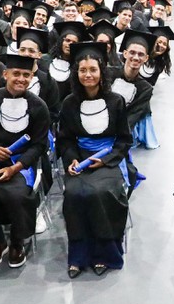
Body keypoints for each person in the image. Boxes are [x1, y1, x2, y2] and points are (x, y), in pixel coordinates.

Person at [57, 42, 134, 278]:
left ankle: (105, 252)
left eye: (93, 69)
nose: (88, 74)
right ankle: (79, 255)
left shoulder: (116, 101)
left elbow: (124, 140)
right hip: (79, 159)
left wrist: (107, 159)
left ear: (102, 72)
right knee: (74, 194)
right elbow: (65, 139)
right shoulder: (69, 103)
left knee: (98, 193)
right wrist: (70, 159)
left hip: (109, 159)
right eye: (83, 70)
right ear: (76, 73)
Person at [0, 54, 51, 269]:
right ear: (5, 74)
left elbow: (39, 145)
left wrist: (16, 166)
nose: (21, 79)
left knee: (16, 195)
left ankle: (17, 241)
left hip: (22, 164)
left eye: (26, 75)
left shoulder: (38, 106)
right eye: (16, 73)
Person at [108, 29, 157, 148]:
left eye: (141, 54)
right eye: (132, 52)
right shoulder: (108, 73)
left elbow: (132, 116)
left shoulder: (145, 89)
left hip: (121, 132)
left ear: (146, 58)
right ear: (125, 54)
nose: (136, 57)